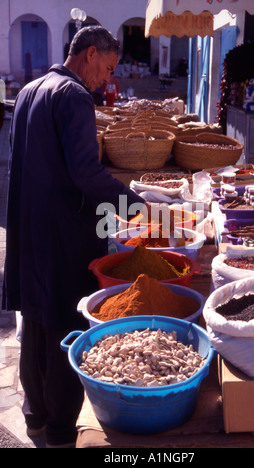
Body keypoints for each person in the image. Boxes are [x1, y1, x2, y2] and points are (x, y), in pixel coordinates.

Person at [2, 25, 148, 448]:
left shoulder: (30, 90)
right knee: (65, 322)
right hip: (63, 231)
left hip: (28, 225)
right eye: (106, 68)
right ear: (87, 54)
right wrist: (136, 206)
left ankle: (35, 417)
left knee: (34, 317)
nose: (106, 79)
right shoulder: (75, 97)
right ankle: (63, 427)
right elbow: (86, 172)